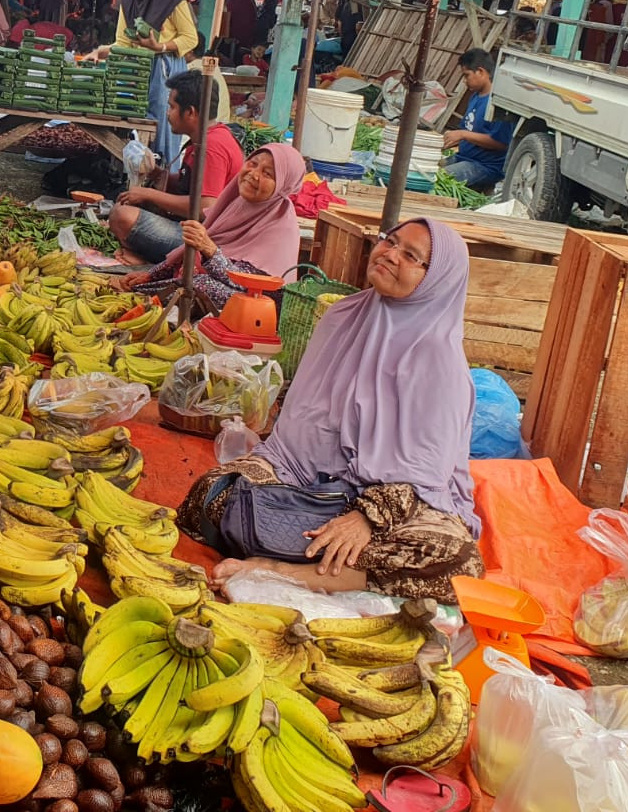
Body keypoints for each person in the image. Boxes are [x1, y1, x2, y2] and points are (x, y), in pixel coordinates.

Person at [182, 219, 486, 603]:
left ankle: (285, 571)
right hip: (308, 477)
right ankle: (329, 563)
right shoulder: (342, 317)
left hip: (395, 504)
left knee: (454, 560)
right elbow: (302, 425)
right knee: (214, 493)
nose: (390, 255)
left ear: (437, 280)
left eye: (411, 256)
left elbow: (427, 474)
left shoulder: (440, 361)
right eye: (389, 242)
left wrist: (365, 518)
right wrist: (291, 477)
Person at [112, 143, 303, 311]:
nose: (253, 175)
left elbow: (247, 284)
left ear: (283, 186)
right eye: (253, 163)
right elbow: (188, 251)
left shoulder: (280, 226)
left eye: (267, 173)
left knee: (202, 285)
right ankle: (144, 291)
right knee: (191, 271)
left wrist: (210, 249)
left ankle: (142, 296)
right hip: (224, 280)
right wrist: (150, 275)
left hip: (258, 304)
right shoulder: (237, 202)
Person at [108, 70, 244, 263]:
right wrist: (158, 174)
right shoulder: (203, 140)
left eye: (171, 107)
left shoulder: (212, 146)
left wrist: (150, 194)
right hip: (193, 230)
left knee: (121, 216)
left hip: (207, 241)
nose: (167, 113)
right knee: (132, 207)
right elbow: (190, 187)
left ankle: (145, 257)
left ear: (190, 112)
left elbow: (205, 207)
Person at [101, 0, 198, 169]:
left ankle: (164, 179)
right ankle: (134, 175)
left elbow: (190, 38)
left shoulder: (173, 1)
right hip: (137, 71)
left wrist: (161, 47)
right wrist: (104, 52)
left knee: (164, 126)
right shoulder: (128, 3)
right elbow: (123, 42)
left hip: (166, 71)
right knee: (131, 121)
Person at [442, 48, 512, 189]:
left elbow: (501, 143)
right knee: (425, 168)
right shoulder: (475, 96)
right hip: (463, 158)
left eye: (466, 75)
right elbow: (467, 128)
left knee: (437, 177)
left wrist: (463, 135)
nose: (464, 81)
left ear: (481, 72)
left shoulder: (497, 103)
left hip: (485, 166)